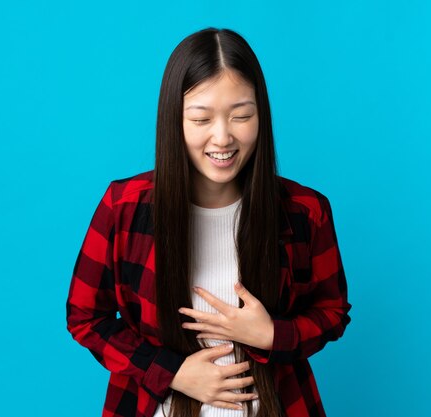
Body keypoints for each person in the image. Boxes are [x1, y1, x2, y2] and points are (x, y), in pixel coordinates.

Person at [66, 27, 351, 417]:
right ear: (175, 121)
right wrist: (173, 373)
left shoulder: (305, 210)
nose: (222, 138)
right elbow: (85, 317)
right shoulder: (124, 206)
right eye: (201, 119)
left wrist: (270, 335)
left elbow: (332, 311)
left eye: (241, 116)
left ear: (261, 115)